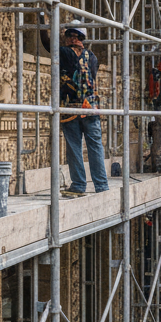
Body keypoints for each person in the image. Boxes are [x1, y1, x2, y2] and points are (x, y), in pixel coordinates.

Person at [39, 16, 108, 197]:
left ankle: (78, 185)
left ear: (71, 37)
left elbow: (47, 43)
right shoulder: (92, 57)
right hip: (91, 108)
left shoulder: (64, 53)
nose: (66, 39)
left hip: (70, 109)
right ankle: (102, 187)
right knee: (95, 147)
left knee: (74, 148)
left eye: (67, 36)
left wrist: (42, 20)